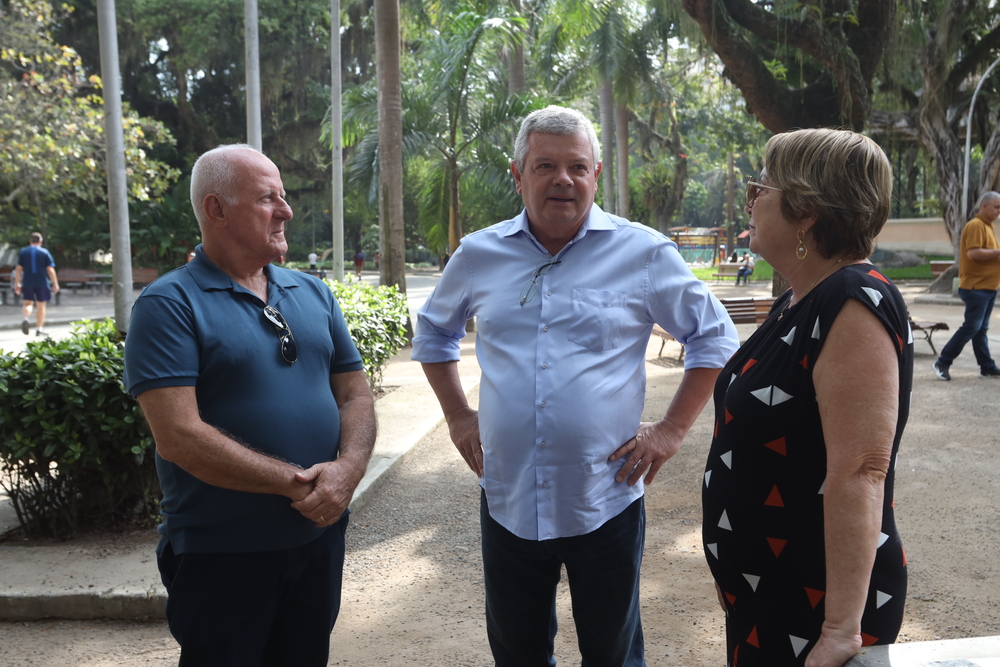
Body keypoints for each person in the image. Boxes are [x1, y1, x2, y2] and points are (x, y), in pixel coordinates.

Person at [412, 105, 739, 666]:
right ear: (518, 175)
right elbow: (434, 331)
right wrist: (458, 415)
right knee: (517, 653)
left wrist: (670, 432)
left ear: (597, 173)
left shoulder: (643, 253)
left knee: (612, 655)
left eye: (577, 167)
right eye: (545, 166)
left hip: (604, 499)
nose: (563, 179)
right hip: (509, 497)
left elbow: (714, 337)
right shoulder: (478, 254)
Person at [123, 144, 376, 666]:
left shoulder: (312, 292)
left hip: (317, 541)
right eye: (268, 199)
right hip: (221, 554)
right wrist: (300, 484)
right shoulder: (169, 305)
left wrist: (348, 471)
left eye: (283, 197)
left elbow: (354, 393)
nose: (286, 211)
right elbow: (179, 436)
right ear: (216, 209)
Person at [703, 128, 912, 667]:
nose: (751, 202)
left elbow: (862, 469)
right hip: (769, 597)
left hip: (812, 613)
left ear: (807, 210)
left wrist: (842, 628)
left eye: (761, 189)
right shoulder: (803, 298)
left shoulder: (852, 300)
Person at [932, 191, 1000, 380]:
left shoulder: (987, 227)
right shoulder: (976, 225)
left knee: (980, 329)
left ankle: (986, 366)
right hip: (976, 288)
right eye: (996, 207)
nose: (998, 211)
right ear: (984, 206)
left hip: (987, 288)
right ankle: (942, 362)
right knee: (971, 327)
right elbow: (973, 254)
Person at [13, 232, 60, 337]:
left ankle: (26, 318)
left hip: (27, 281)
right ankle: (39, 329)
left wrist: (17, 283)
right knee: (41, 305)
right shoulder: (44, 252)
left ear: (30, 241)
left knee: (28, 303)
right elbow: (50, 269)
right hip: (41, 282)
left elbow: (19, 269)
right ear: (40, 242)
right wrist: (55, 283)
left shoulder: (23, 252)